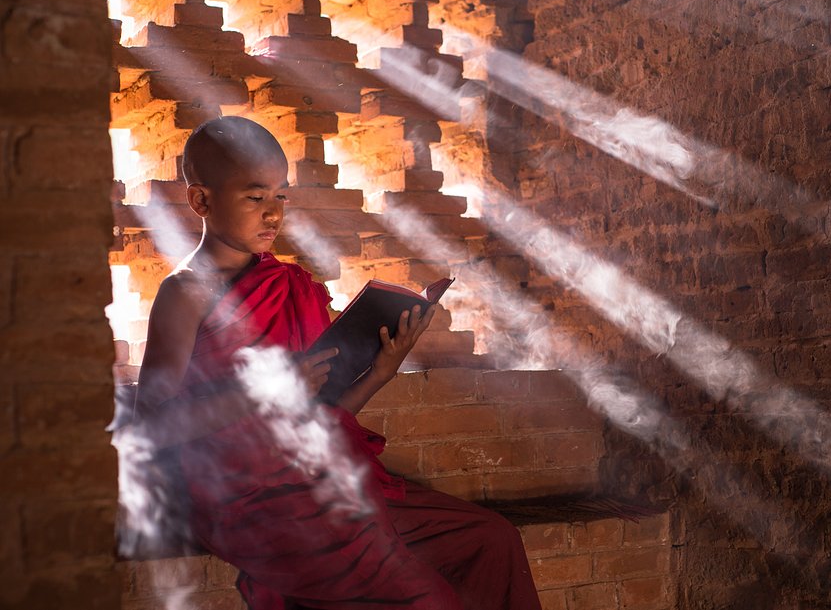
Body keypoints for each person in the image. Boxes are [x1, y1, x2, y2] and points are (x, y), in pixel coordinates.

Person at [131, 116, 542, 610]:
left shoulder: (291, 283)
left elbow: (320, 413)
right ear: (201, 201)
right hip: (245, 499)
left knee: (491, 539)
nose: (273, 214)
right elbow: (150, 428)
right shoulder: (185, 293)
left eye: (281, 196)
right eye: (255, 197)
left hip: (317, 474)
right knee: (424, 599)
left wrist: (382, 371)